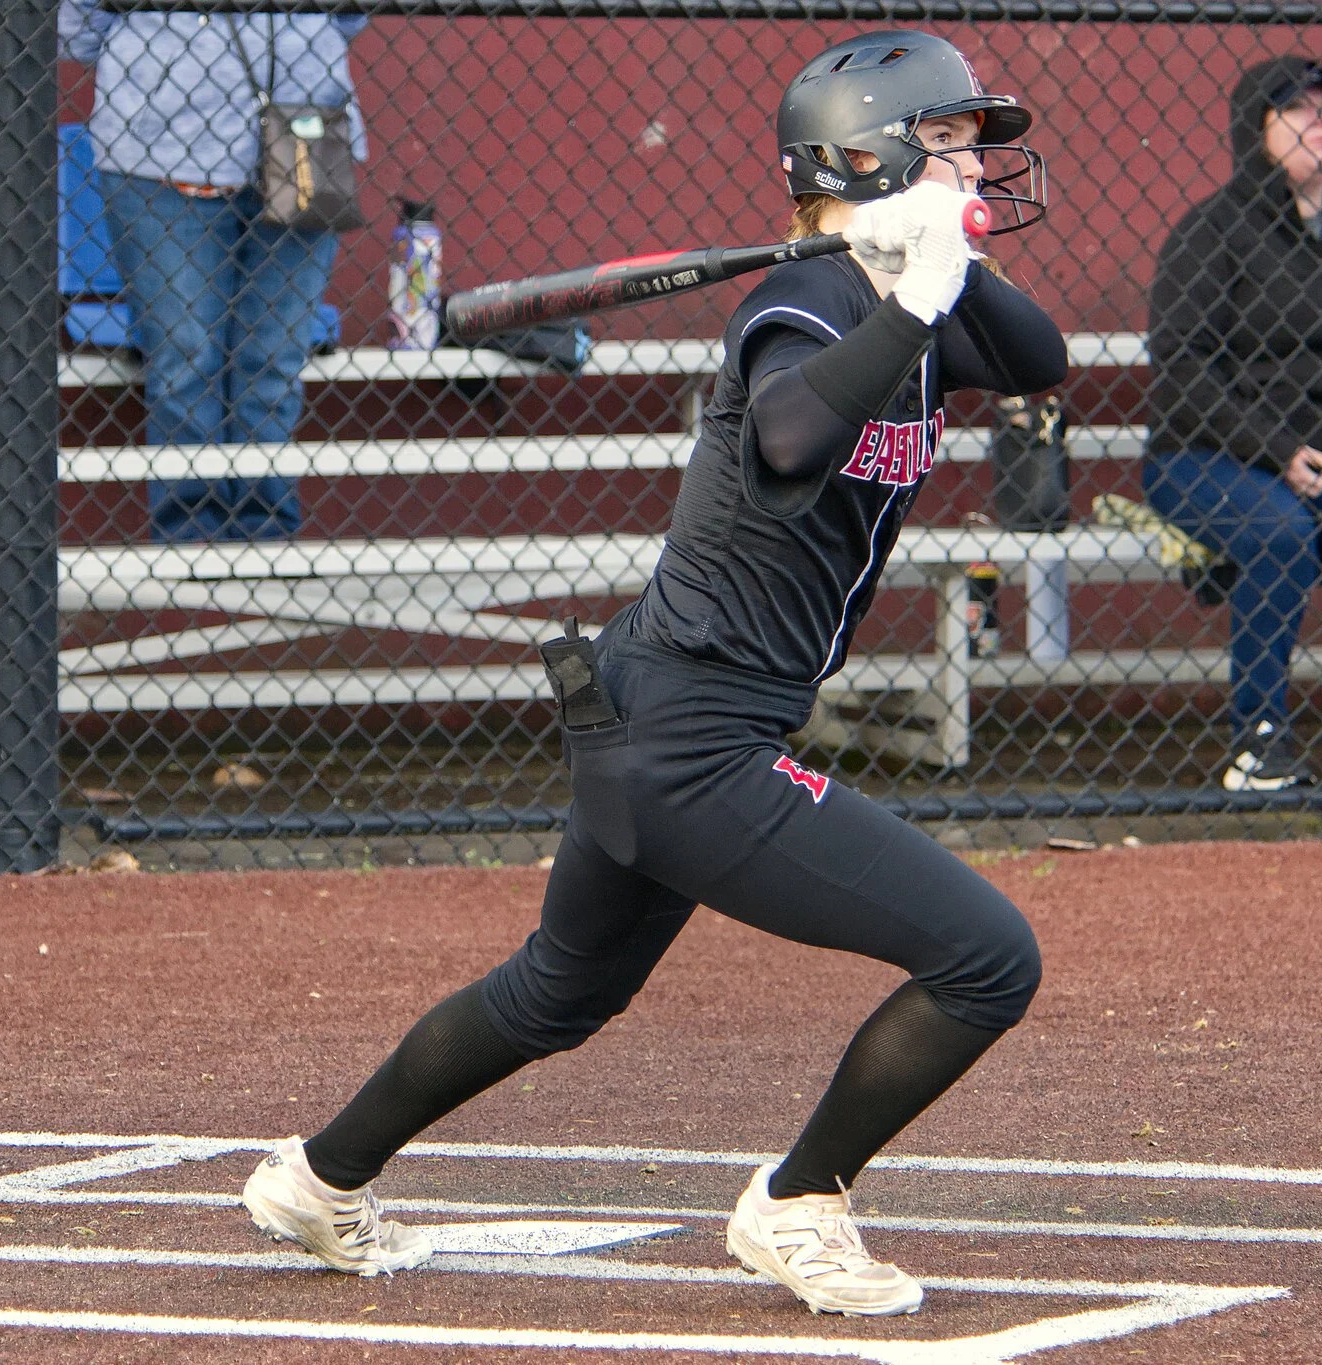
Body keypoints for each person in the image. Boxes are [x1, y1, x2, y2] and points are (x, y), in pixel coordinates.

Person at [239, 29, 1063, 1318]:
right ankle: (798, 1202)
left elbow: (1037, 362)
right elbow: (788, 438)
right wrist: (906, 295)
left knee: (556, 993)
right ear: (865, 158)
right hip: (692, 734)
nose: (973, 163)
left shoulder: (906, 287)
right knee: (987, 958)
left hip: (656, 702)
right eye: (946, 140)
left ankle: (317, 1177)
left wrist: (936, 269)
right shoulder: (801, 305)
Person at [1143, 57, 1322, 793]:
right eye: (1297, 110)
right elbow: (1183, 370)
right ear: (1257, 131)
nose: (1321, 122)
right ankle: (1260, 743)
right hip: (1207, 454)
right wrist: (1278, 448)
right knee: (1281, 532)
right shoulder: (1211, 232)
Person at [58, 4, 368, 542]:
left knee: (273, 358)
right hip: (157, 158)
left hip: (306, 137)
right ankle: (191, 539)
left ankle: (265, 537)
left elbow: (349, 14)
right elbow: (76, 30)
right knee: (184, 360)